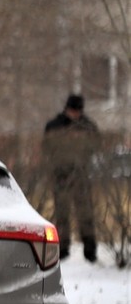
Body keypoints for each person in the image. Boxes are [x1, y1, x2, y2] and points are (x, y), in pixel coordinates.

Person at [43, 93, 100, 262]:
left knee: (85, 213)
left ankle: (90, 250)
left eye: (78, 111)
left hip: (81, 175)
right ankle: (62, 248)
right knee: (62, 213)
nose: (75, 114)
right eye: (73, 110)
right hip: (61, 175)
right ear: (67, 109)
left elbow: (96, 145)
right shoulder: (55, 126)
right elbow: (47, 148)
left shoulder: (87, 126)